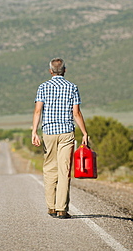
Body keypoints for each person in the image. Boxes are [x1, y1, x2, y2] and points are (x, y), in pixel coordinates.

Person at [32, 58, 88, 219]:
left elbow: (37, 111)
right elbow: (76, 113)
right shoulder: (72, 87)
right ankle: (62, 209)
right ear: (64, 70)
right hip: (66, 133)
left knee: (50, 169)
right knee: (64, 170)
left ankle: (51, 207)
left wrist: (34, 132)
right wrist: (84, 132)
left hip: (49, 132)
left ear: (50, 71)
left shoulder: (43, 87)